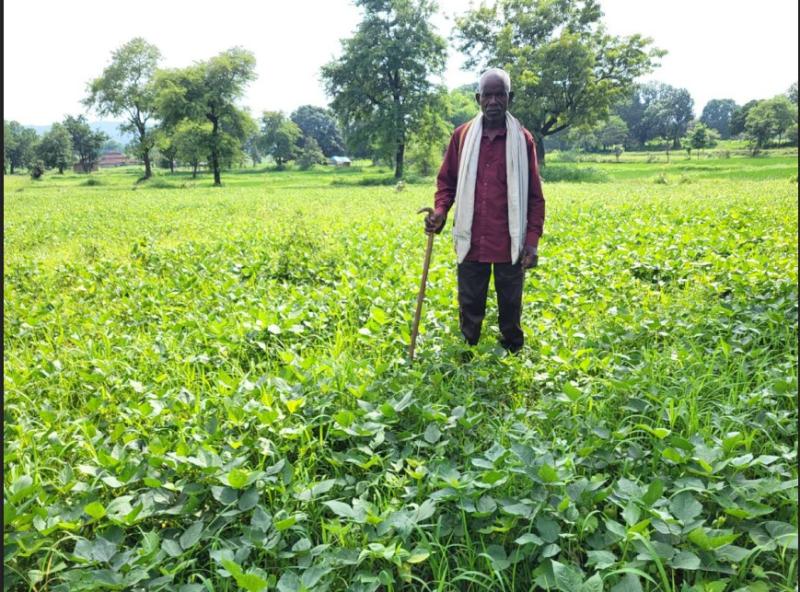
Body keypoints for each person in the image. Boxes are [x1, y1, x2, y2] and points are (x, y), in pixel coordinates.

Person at [425, 68, 545, 353]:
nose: (493, 101)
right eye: (487, 95)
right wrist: (441, 211)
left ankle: (512, 350)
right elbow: (447, 182)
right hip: (472, 237)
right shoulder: (462, 136)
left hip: (509, 240)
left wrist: (531, 242)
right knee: (469, 302)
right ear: (478, 98)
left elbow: (535, 196)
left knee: (511, 304)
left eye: (499, 95)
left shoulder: (523, 139)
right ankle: (468, 351)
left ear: (510, 98)